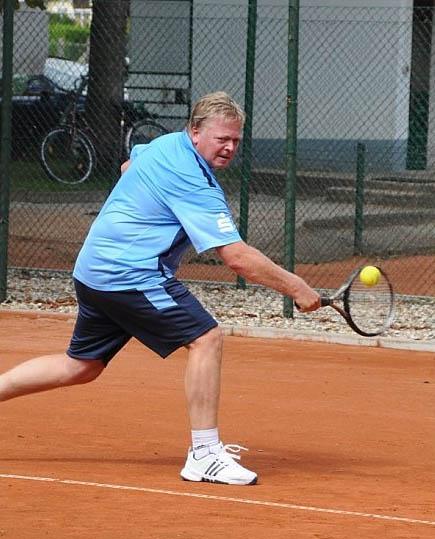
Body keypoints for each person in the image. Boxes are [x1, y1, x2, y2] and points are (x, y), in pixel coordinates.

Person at [0, 91, 320, 485]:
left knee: (81, 366)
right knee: (206, 338)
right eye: (222, 138)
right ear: (196, 131)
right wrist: (297, 287)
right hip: (129, 274)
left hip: (94, 268)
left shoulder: (164, 144)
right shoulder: (194, 182)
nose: (229, 147)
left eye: (236, 140)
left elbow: (128, 166)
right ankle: (204, 455)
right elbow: (237, 258)